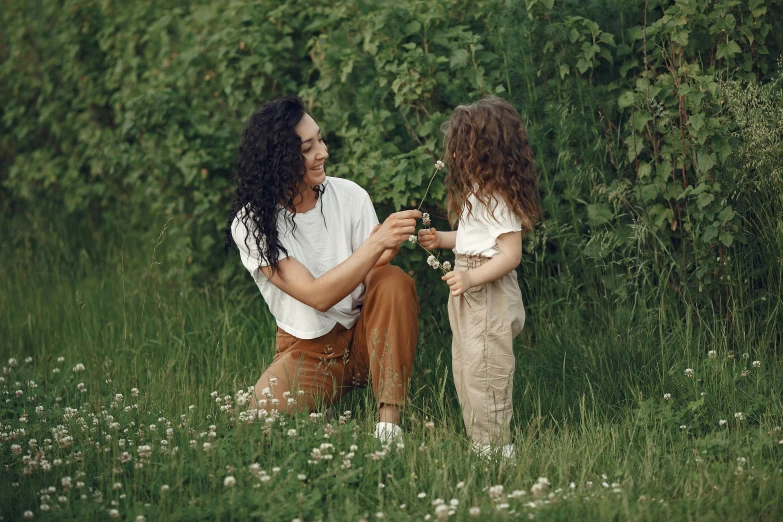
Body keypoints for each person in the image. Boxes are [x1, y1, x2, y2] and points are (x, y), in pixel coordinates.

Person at [227, 95, 421, 442]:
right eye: (308, 148)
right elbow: (316, 295)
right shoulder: (252, 224)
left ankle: (389, 428)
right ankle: (324, 401)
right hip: (308, 347)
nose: (323, 152)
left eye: (320, 139)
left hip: (363, 333)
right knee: (260, 418)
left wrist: (383, 251)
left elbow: (373, 269)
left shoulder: (350, 196)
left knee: (393, 280)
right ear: (279, 161)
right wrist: (374, 245)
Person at [417, 97, 541, 459]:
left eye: (462, 150)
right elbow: (475, 239)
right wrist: (442, 240)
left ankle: (496, 450)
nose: (455, 157)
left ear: (488, 153)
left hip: (486, 291)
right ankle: (481, 442)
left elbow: (509, 254)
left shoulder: (498, 199)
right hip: (469, 286)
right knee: (469, 367)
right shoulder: (477, 195)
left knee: (487, 369)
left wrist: (471, 280)